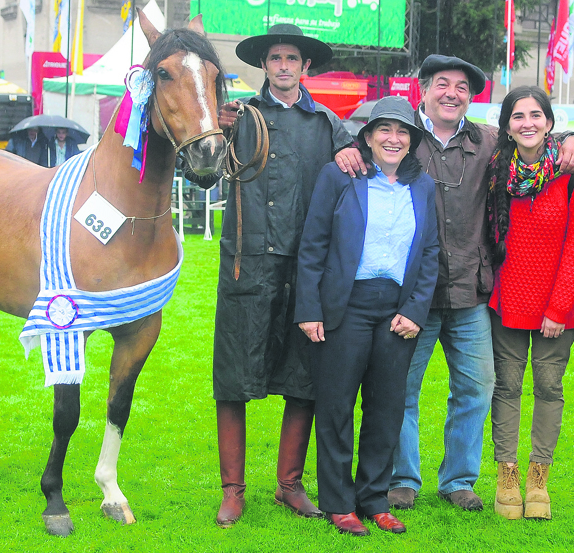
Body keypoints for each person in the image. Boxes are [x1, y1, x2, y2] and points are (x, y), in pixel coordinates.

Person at [334, 55, 574, 513]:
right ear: (424, 92)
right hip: (414, 296)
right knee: (399, 389)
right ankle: (403, 478)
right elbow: (357, 141)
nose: (452, 93)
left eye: (462, 88)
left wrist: (570, 140)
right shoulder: (402, 139)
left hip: (472, 291)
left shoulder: (489, 141)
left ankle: (458, 480)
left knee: (477, 387)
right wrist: (343, 146)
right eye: (442, 85)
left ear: (472, 98)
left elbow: (531, 141)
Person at [208, 23, 354, 528]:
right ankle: (233, 489)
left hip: (307, 271)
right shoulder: (238, 116)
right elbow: (200, 171)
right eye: (276, 58)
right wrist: (216, 129)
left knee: (304, 378)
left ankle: (288, 484)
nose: (285, 65)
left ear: (306, 66)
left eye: (293, 58)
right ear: (264, 66)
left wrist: (352, 153)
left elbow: (365, 173)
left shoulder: (330, 125)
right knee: (233, 377)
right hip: (247, 265)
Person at [295, 96, 439, 536]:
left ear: (412, 140)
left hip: (396, 309)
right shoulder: (341, 176)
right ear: (369, 136)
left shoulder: (424, 187)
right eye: (385, 131)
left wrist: (416, 309)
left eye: (403, 132)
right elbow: (313, 244)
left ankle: (374, 498)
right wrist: (309, 307)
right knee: (337, 406)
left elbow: (430, 252)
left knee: (387, 407)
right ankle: (339, 502)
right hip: (345, 304)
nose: (393, 139)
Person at [483, 86, 574, 521]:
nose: (527, 123)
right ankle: (506, 474)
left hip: (556, 308)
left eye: (536, 115)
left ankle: (538, 477)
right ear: (506, 125)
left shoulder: (570, 175)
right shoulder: (495, 171)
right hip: (506, 301)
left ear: (549, 121)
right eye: (518, 116)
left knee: (549, 389)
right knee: (506, 387)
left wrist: (557, 310)